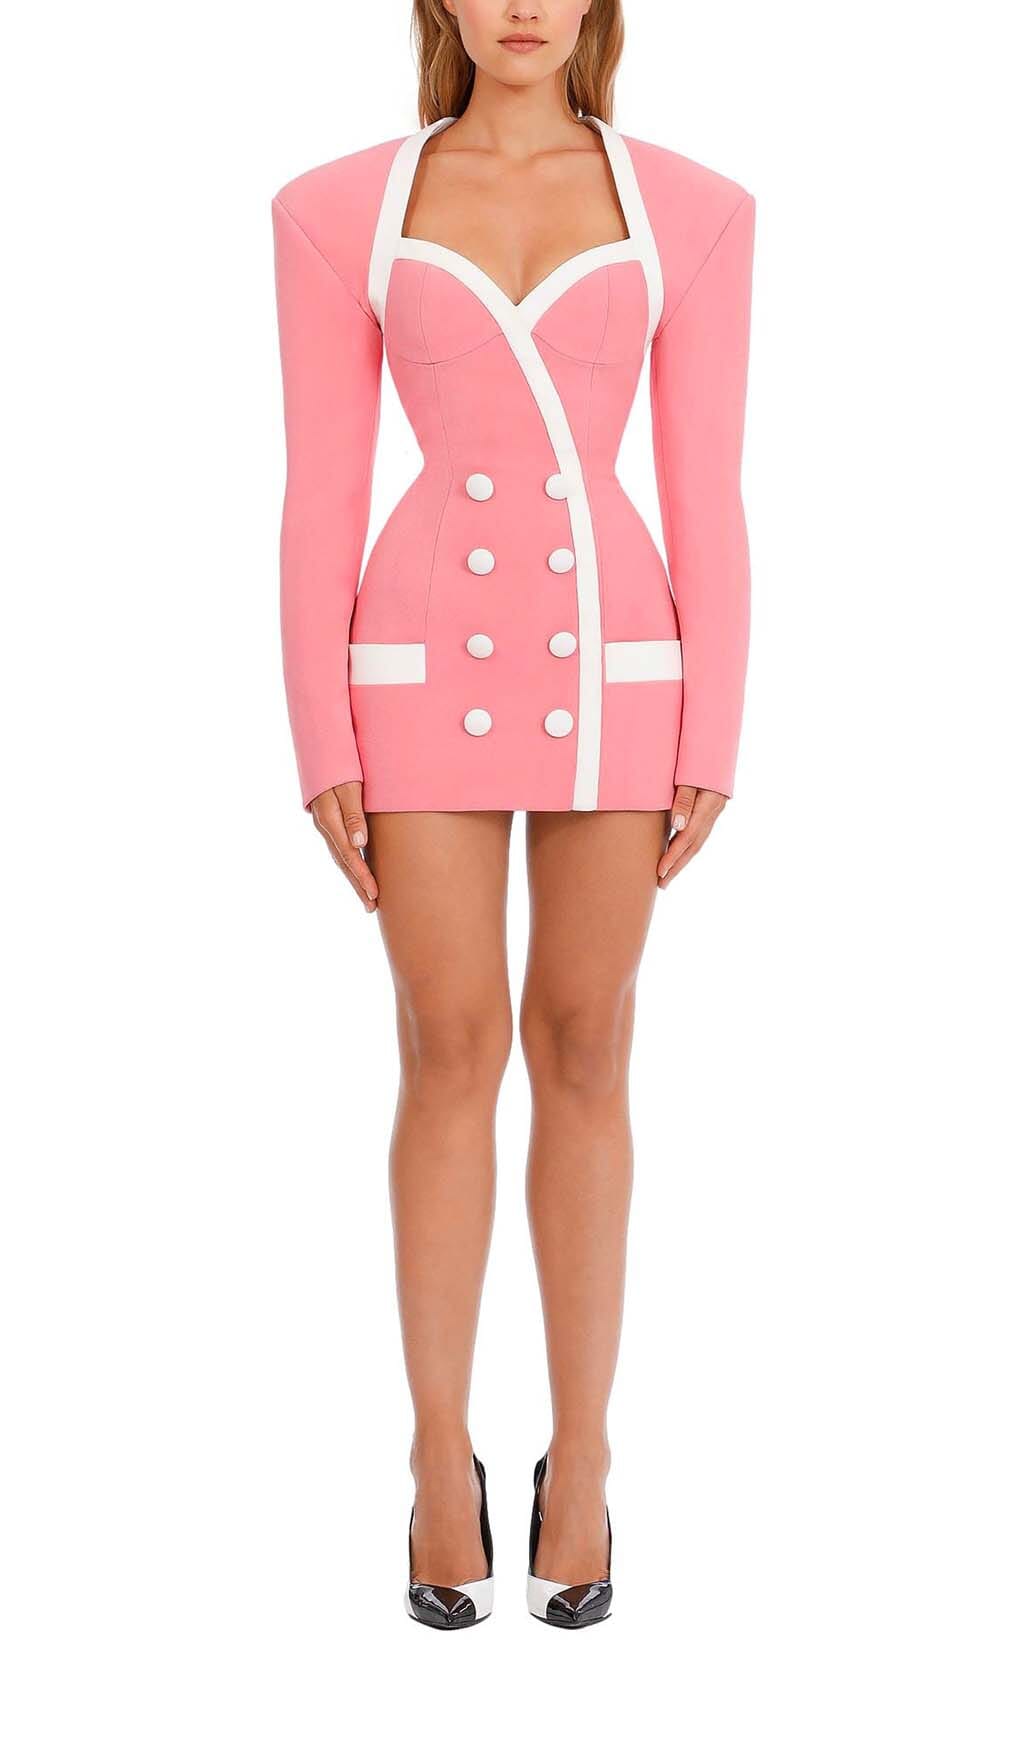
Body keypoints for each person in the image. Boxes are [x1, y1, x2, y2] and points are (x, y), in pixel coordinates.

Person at [271, 0, 755, 1628]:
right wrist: (318, 727)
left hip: (620, 665)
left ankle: (586, 1463)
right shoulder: (337, 205)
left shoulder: (695, 206)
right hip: (414, 666)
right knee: (449, 1044)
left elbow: (706, 484)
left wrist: (716, 717)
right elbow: (321, 486)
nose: (524, 6)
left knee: (589, 1042)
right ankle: (436, 1463)